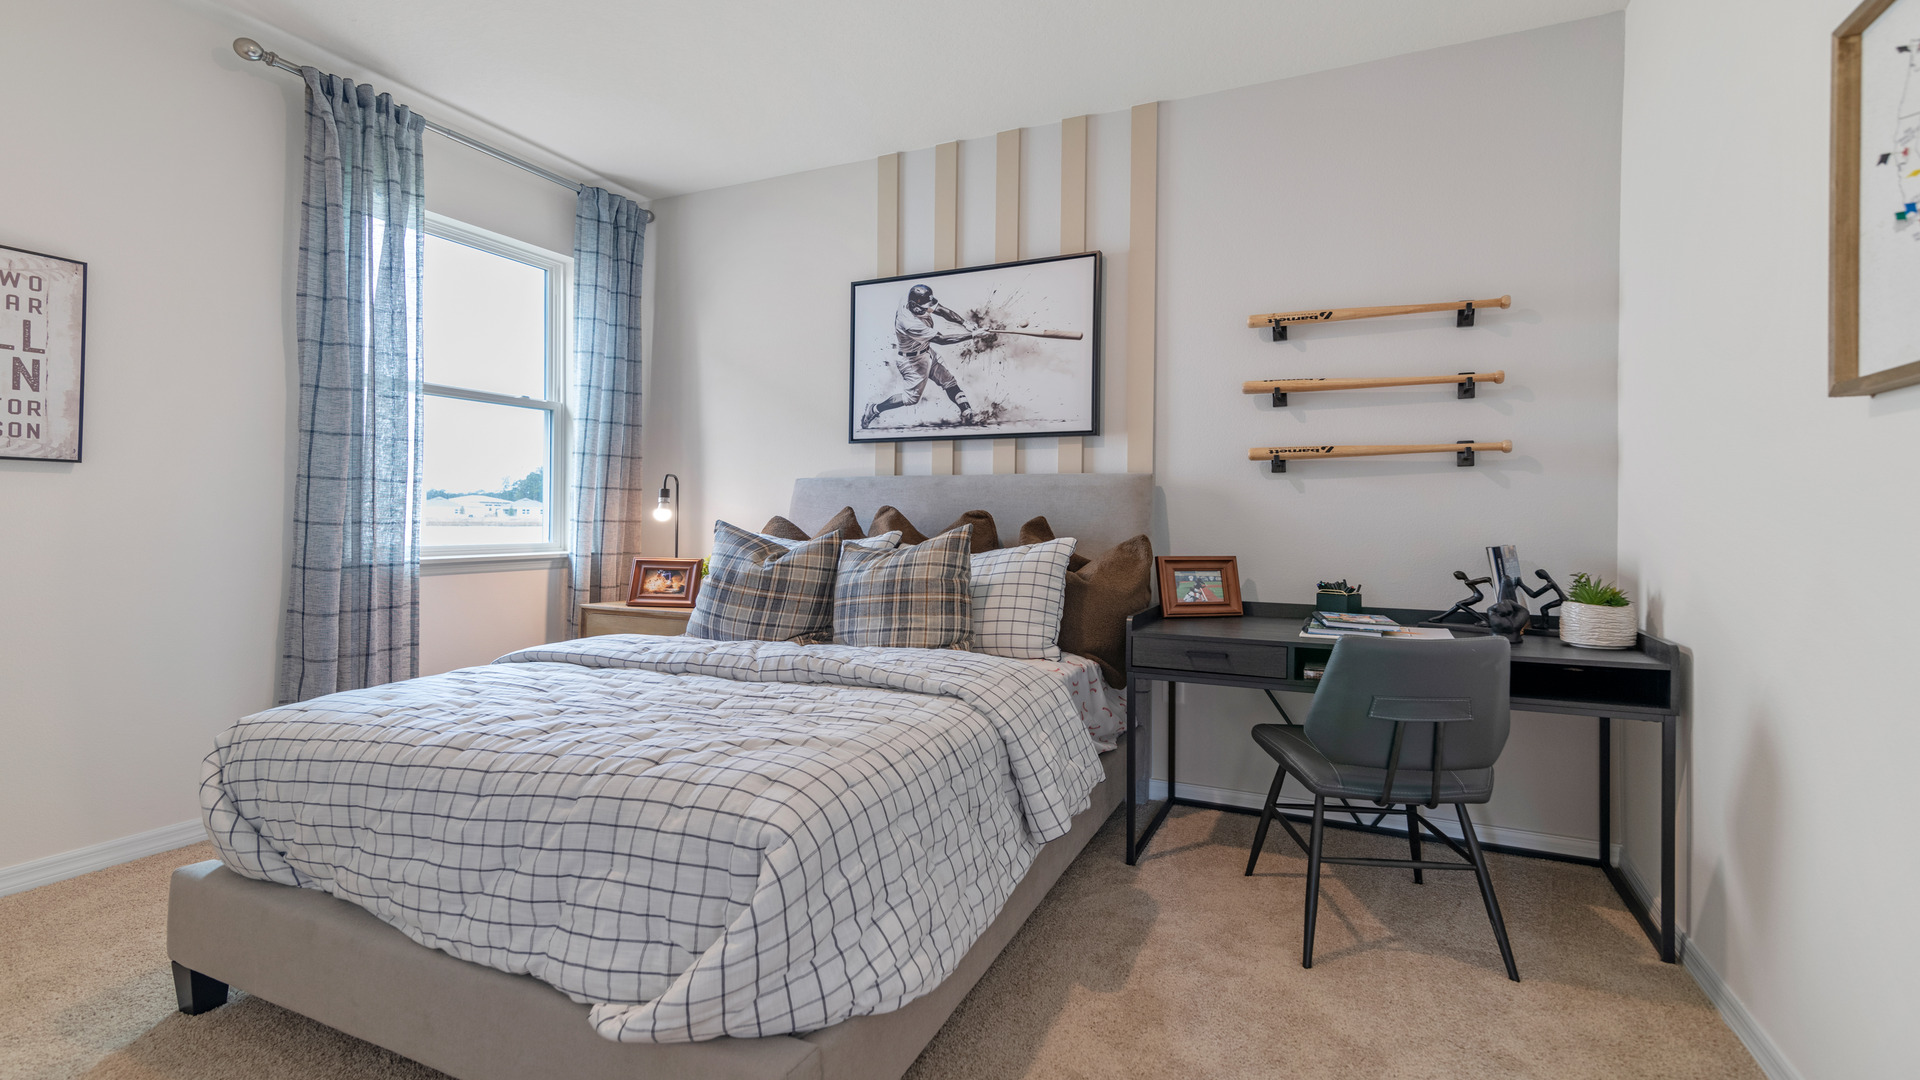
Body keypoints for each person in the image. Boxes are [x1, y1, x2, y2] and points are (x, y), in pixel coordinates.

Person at [861, 284, 986, 429]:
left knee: (948, 381)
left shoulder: (911, 299)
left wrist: (965, 323)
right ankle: (874, 409)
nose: (928, 309)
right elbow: (941, 340)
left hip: (926, 351)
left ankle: (966, 412)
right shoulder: (909, 323)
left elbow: (941, 310)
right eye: (924, 307)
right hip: (912, 362)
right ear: (914, 305)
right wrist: (973, 335)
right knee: (911, 399)